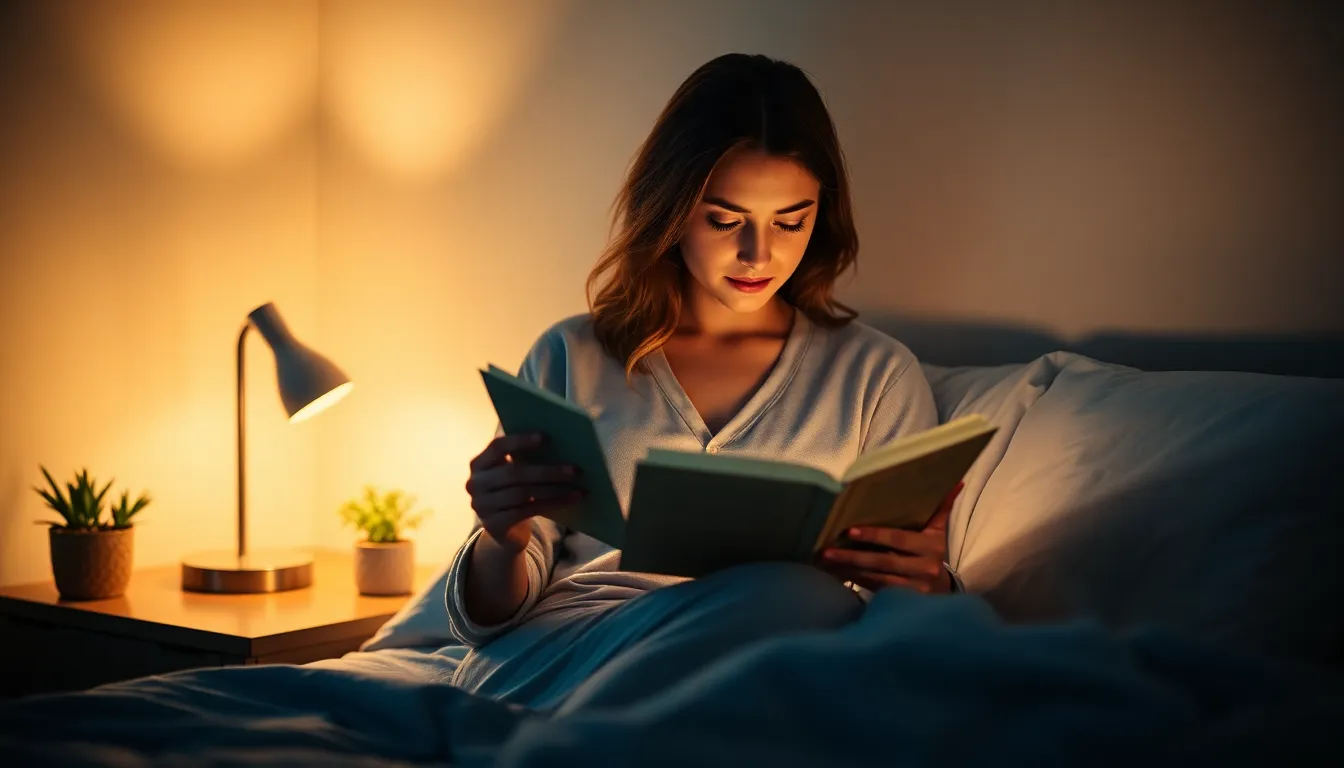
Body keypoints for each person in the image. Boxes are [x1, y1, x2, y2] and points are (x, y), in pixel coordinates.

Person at [447, 53, 963, 712]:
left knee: (801, 605)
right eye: (725, 220)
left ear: (821, 216)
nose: (758, 254)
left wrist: (926, 585)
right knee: (793, 598)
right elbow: (490, 617)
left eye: (791, 221)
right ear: (672, 210)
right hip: (569, 657)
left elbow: (896, 629)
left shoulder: (875, 376)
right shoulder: (573, 354)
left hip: (761, 664)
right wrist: (502, 538)